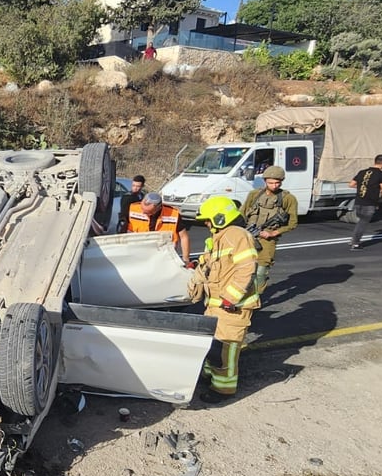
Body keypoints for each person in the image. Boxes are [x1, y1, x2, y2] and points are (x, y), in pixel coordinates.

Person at [189, 196, 260, 404]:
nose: (206, 224)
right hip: (215, 304)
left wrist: (231, 297)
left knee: (227, 348)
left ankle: (223, 389)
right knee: (213, 344)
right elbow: (208, 266)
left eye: (208, 219)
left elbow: (246, 268)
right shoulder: (218, 238)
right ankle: (210, 376)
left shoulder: (238, 236)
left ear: (220, 218)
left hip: (232, 307)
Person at [241, 166, 299, 292]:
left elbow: (293, 223)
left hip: (267, 240)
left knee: (261, 271)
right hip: (248, 235)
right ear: (265, 181)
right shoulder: (254, 194)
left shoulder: (288, 199)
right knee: (242, 268)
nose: (274, 186)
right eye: (270, 183)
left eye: (277, 182)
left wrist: (273, 233)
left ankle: (256, 297)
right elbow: (242, 213)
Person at [124, 191, 191, 261]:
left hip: (165, 256)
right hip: (138, 255)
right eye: (142, 209)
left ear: (158, 208)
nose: (143, 213)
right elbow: (124, 232)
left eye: (148, 212)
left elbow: (184, 237)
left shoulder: (173, 214)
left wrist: (186, 258)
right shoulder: (133, 209)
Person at [348, 154, 382, 250]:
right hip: (369, 202)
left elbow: (351, 184)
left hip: (358, 201)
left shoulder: (362, 172)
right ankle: (355, 242)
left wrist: (364, 187)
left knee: (361, 221)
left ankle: (354, 240)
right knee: (363, 222)